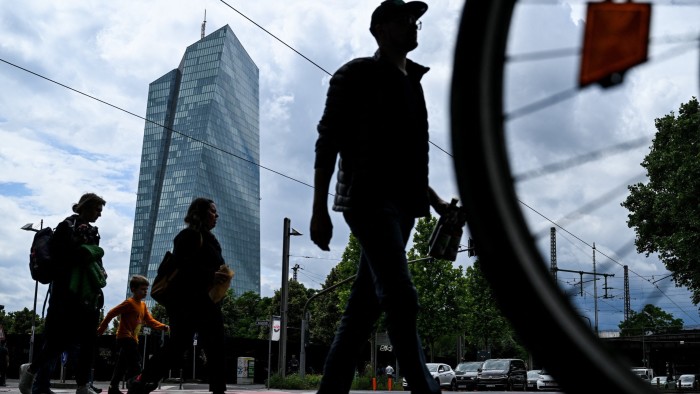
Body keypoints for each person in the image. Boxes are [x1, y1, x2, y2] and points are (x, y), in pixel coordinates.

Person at [309, 1, 450, 393]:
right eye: (406, 20)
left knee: (361, 312)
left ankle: (329, 391)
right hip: (367, 199)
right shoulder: (356, 74)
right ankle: (425, 388)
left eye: (416, 20)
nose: (414, 26)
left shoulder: (414, 84)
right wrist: (319, 208)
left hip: (403, 207)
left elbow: (404, 161)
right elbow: (328, 140)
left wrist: (437, 202)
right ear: (380, 30)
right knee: (401, 296)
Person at [127, 197, 231, 394]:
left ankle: (219, 390)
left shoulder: (212, 241)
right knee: (177, 346)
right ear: (199, 213)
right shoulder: (188, 236)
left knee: (216, 346)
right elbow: (184, 268)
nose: (216, 215)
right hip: (186, 302)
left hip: (208, 301)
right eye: (212, 211)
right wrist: (211, 275)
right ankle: (142, 381)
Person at [20, 193, 107, 394]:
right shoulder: (66, 227)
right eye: (97, 210)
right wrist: (87, 252)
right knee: (59, 341)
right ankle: (32, 370)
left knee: (87, 341)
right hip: (66, 292)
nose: (99, 215)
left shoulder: (93, 231)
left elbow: (93, 258)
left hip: (88, 291)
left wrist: (97, 267)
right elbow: (62, 258)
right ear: (85, 207)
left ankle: (82, 385)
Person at [97, 275, 170, 394]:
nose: (145, 292)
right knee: (136, 362)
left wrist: (164, 327)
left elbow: (150, 320)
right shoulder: (129, 303)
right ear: (133, 290)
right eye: (142, 289)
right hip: (124, 337)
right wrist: (101, 329)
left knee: (122, 364)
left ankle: (113, 387)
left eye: (146, 289)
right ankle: (136, 385)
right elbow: (111, 313)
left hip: (133, 338)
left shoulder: (143, 305)